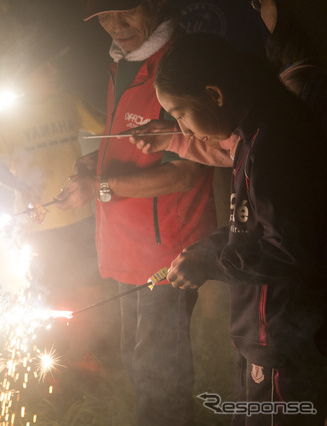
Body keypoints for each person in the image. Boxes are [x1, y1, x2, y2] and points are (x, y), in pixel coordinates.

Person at [55, 1, 217, 424]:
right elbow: (122, 141)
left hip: (168, 252)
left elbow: (183, 174)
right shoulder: (123, 64)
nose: (115, 25)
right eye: (104, 17)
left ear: (155, 5)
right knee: (136, 358)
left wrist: (101, 187)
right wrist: (89, 168)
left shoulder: (179, 64)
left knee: (159, 372)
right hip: (128, 246)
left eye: (126, 12)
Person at [155, 32, 327, 426]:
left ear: (214, 94)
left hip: (283, 334)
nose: (180, 127)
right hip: (262, 333)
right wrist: (203, 251)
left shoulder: (275, 142)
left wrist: (211, 265)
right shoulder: (253, 133)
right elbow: (247, 222)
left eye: (180, 112)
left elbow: (290, 250)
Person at [0, 36, 108, 368]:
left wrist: (93, 163)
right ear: (25, 79)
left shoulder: (68, 101)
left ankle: (82, 355)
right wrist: (21, 186)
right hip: (37, 224)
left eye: (53, 66)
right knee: (51, 296)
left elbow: (109, 132)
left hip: (80, 215)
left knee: (89, 289)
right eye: (44, 68)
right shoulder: (9, 117)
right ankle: (49, 365)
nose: (54, 72)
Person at [129, 0, 327, 164]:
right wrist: (174, 138)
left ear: (216, 95)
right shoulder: (253, 129)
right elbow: (236, 148)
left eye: (180, 115)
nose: (186, 131)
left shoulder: (291, 109)